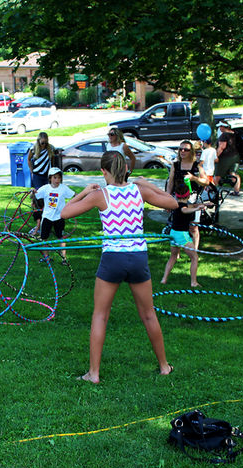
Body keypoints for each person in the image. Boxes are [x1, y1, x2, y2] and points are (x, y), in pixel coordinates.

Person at [61, 151, 178, 384]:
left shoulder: (99, 195)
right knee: (148, 314)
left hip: (113, 258)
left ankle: (93, 374)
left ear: (104, 171)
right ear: (126, 169)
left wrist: (84, 192)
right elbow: (173, 203)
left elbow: (64, 213)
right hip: (137, 257)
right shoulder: (139, 190)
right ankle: (164, 366)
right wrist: (149, 185)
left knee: (100, 316)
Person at [161, 183, 209, 287]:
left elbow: (189, 206)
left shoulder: (175, 204)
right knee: (194, 258)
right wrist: (197, 209)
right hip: (181, 235)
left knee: (173, 256)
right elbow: (185, 210)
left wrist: (204, 205)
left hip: (173, 233)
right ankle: (193, 282)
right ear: (188, 195)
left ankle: (164, 279)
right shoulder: (183, 208)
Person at [166, 140, 208, 249]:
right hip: (178, 199)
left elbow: (206, 181)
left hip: (192, 199)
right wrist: (167, 198)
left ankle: (195, 250)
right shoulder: (175, 165)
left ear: (191, 152)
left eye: (186, 149)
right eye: (180, 149)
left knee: (193, 227)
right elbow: (170, 182)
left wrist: (194, 178)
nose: (182, 151)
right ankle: (176, 251)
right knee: (177, 226)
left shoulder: (196, 166)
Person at [33, 167, 75, 263]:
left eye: (59, 178)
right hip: (47, 217)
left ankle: (64, 258)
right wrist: (33, 192)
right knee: (44, 238)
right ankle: (46, 257)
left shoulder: (63, 188)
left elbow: (74, 195)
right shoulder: (45, 188)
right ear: (50, 178)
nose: (57, 180)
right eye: (55, 177)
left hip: (59, 216)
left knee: (61, 237)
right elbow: (35, 196)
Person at [27, 132, 57, 235]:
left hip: (46, 177)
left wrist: (52, 174)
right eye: (42, 143)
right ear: (38, 141)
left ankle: (47, 223)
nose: (43, 145)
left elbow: (52, 161)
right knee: (37, 200)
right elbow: (28, 159)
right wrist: (32, 171)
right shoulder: (33, 149)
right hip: (37, 177)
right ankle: (38, 225)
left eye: (45, 143)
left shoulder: (51, 149)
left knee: (48, 199)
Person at [214, 121, 239, 190]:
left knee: (217, 175)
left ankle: (214, 191)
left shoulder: (224, 135)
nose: (219, 128)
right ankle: (236, 191)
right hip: (236, 156)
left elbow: (221, 147)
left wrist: (215, 156)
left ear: (223, 127)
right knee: (233, 174)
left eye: (220, 126)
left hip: (225, 158)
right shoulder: (234, 134)